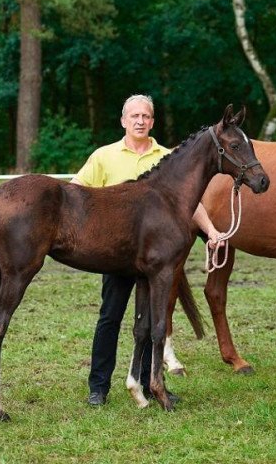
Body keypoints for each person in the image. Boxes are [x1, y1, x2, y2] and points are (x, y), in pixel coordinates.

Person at [71, 94, 223, 406]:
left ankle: (148, 381)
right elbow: (75, 193)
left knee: (151, 318)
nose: (140, 121)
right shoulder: (104, 156)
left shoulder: (169, 158)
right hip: (115, 251)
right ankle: (98, 387)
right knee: (110, 317)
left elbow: (188, 204)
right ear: (123, 120)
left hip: (154, 254)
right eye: (134, 116)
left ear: (152, 121)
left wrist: (211, 231)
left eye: (146, 116)